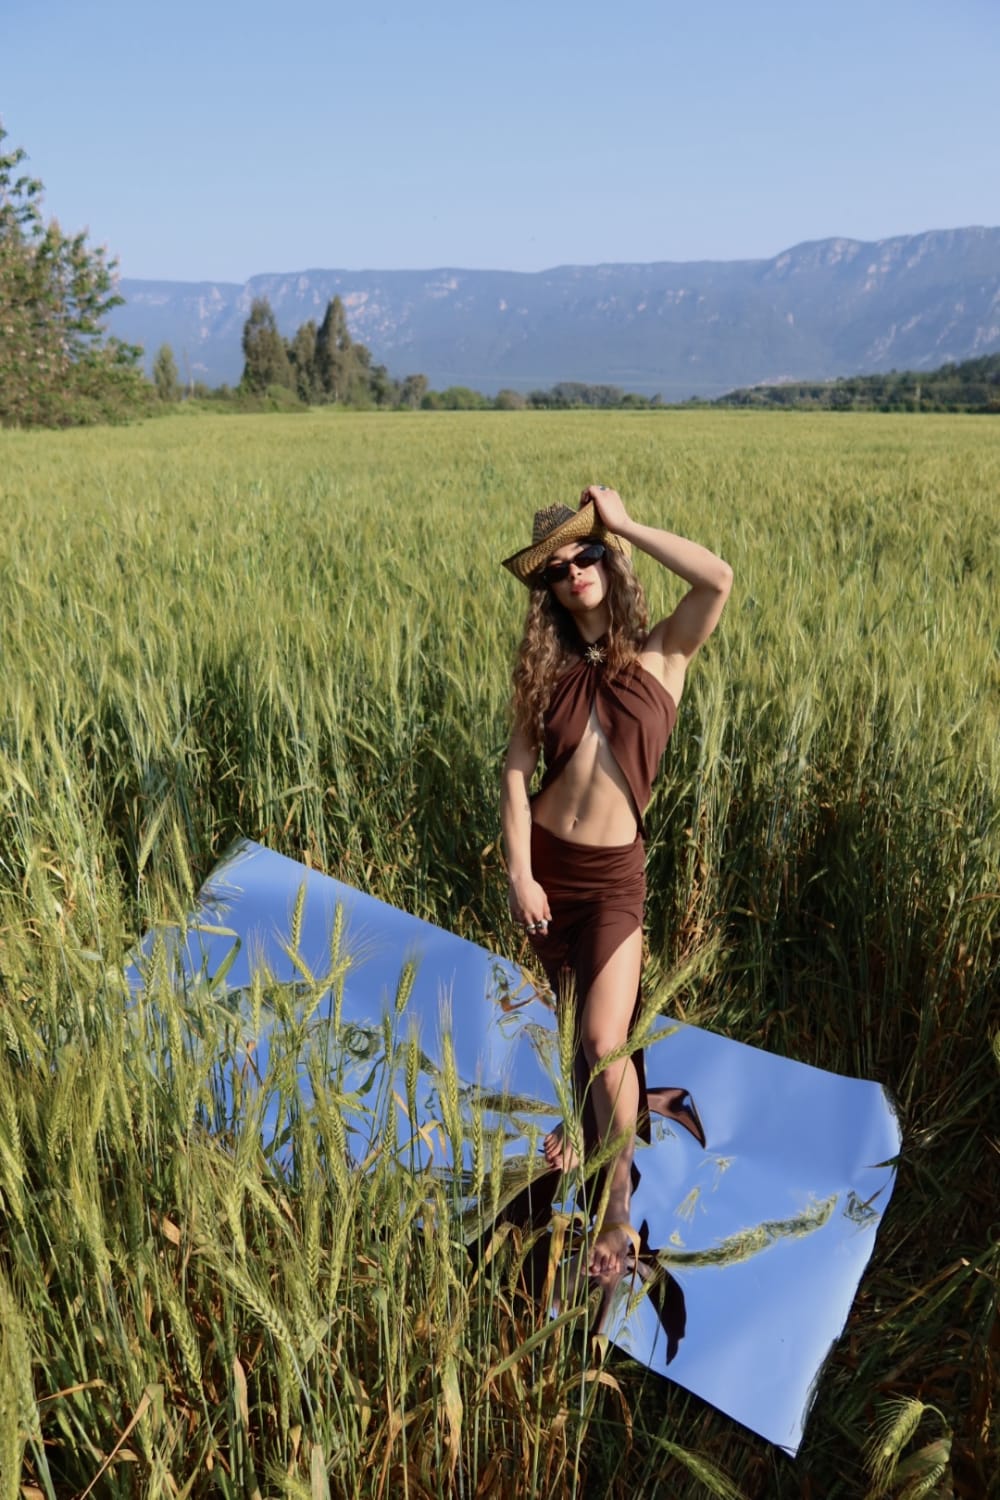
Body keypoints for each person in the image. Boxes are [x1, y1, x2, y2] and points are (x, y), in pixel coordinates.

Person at [500, 484, 732, 1280]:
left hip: (610, 880)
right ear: (549, 590)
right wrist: (520, 873)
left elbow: (718, 578)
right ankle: (587, 1123)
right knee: (580, 1023)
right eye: (558, 568)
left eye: (587, 554)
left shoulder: (665, 655)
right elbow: (516, 772)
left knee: (606, 1039)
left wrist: (625, 522)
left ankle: (617, 1208)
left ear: (612, 560)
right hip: (549, 873)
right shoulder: (546, 672)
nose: (575, 573)